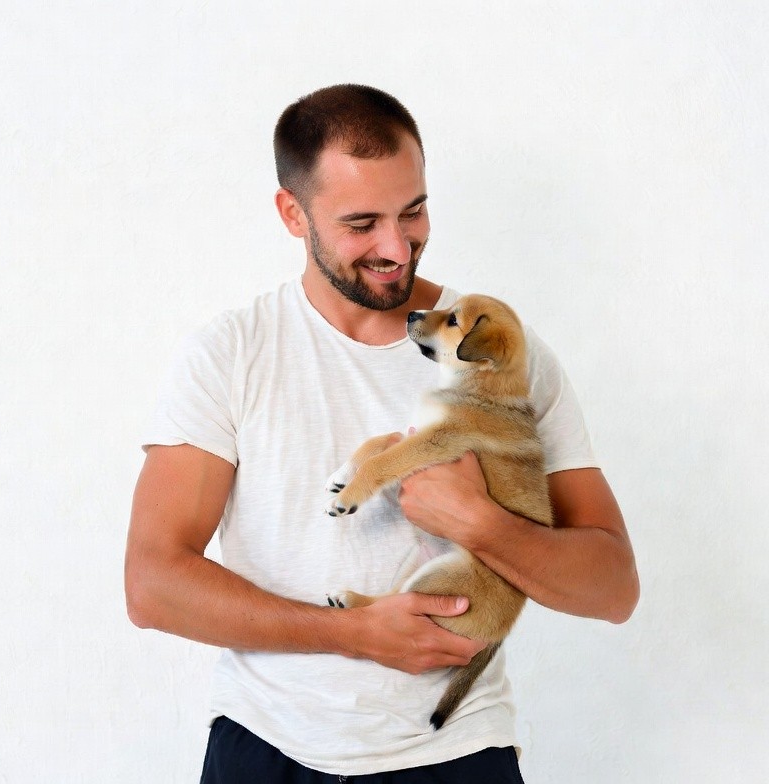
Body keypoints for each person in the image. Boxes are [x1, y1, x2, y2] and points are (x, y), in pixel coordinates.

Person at [125, 84, 639, 783]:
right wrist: (354, 633)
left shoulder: (498, 348)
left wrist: (479, 521)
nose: (398, 247)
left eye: (415, 210)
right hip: (267, 752)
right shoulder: (233, 353)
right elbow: (152, 584)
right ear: (291, 213)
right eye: (361, 222)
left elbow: (613, 590)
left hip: (453, 757)